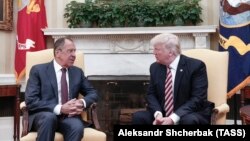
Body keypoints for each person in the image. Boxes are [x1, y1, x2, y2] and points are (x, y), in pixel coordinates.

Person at [25, 37, 98, 141]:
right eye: (70, 51)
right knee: (49, 118)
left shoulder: (77, 72)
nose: (74, 55)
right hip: (44, 115)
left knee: (76, 126)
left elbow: (93, 93)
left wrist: (82, 102)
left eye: (74, 51)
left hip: (69, 117)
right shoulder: (38, 70)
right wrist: (60, 108)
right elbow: (31, 101)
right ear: (58, 52)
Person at [132, 33, 214, 125]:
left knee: (189, 121)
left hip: (188, 113)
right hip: (162, 113)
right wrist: (158, 114)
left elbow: (198, 99)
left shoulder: (196, 66)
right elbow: (151, 94)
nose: (153, 52)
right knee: (139, 117)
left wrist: (173, 118)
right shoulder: (155, 67)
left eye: (157, 49)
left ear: (170, 52)